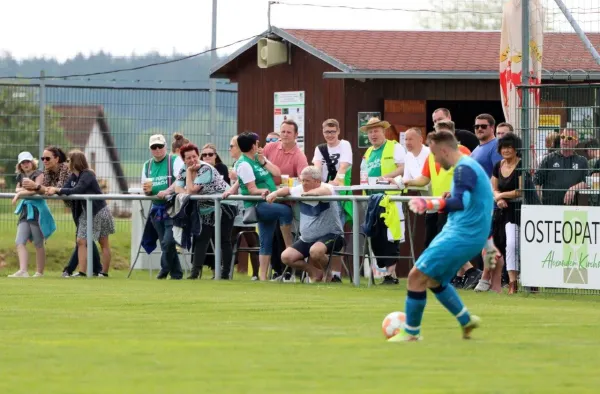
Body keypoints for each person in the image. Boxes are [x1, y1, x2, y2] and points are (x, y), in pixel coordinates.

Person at [388, 131, 494, 342]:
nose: (434, 161)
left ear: (444, 150)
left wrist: (429, 203)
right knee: (435, 280)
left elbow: (459, 203)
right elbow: (478, 203)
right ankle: (466, 320)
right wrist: (489, 242)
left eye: (435, 155)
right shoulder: (468, 168)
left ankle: (411, 332)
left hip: (461, 234)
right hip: (465, 233)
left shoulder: (464, 169)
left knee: (415, 277)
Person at [21, 146, 103, 277]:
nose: (44, 161)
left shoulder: (66, 168)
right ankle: (96, 269)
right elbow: (47, 189)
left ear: (57, 159)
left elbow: (58, 189)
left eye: (47, 158)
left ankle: (71, 270)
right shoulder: (47, 172)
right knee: (84, 237)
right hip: (75, 206)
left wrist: (37, 187)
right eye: (43, 158)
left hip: (82, 205)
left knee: (82, 238)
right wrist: (36, 188)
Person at [224, 131, 293, 281]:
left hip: (268, 202)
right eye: (257, 143)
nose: (259, 145)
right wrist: (264, 190)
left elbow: (277, 172)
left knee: (265, 240)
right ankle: (290, 248)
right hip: (258, 205)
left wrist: (263, 161)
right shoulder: (243, 164)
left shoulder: (257, 159)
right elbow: (251, 189)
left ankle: (262, 277)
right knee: (286, 211)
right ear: (253, 145)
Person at [269, 166, 344, 282]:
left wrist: (310, 194)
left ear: (317, 181)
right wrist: (274, 193)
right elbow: (287, 190)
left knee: (315, 251)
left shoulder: (326, 187)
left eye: (307, 181)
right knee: (286, 257)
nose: (304, 184)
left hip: (332, 235)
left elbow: (326, 191)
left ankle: (328, 274)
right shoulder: (300, 189)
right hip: (307, 239)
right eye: (302, 180)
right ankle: (314, 272)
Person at [46, 150, 115, 277]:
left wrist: (57, 190)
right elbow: (66, 188)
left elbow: (78, 189)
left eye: (68, 160)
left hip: (99, 211)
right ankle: (82, 272)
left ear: (75, 161)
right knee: (81, 241)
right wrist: (54, 190)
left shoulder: (88, 174)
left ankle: (103, 273)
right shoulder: (73, 176)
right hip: (85, 213)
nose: (66, 163)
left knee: (103, 243)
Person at [174, 143, 237, 279]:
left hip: (225, 204)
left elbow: (191, 190)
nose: (192, 160)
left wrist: (190, 174)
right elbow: (178, 188)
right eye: (188, 158)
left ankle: (225, 274)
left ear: (198, 156)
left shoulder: (205, 169)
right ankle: (194, 273)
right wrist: (187, 186)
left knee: (223, 239)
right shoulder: (183, 169)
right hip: (206, 207)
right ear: (183, 159)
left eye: (194, 156)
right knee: (202, 238)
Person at [359, 117, 406, 285]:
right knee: (376, 236)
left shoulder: (395, 147)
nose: (373, 134)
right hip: (372, 200)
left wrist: (384, 177)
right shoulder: (368, 152)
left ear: (383, 131)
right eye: (370, 132)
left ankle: (391, 275)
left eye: (376, 130)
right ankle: (384, 271)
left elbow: (402, 167)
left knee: (391, 235)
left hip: (390, 197)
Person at [475, 134, 523, 294]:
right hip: (500, 211)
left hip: (518, 211)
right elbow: (494, 188)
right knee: (494, 246)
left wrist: (501, 196)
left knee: (512, 245)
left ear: (516, 149)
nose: (506, 150)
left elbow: (520, 191)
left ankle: (512, 281)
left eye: (510, 147)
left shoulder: (521, 165)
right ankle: (495, 282)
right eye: (504, 147)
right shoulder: (497, 166)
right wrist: (498, 198)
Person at [141, 134, 184, 280]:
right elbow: (145, 188)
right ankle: (176, 274)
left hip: (173, 207)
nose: (157, 149)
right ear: (150, 149)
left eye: (160, 146)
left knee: (168, 241)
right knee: (166, 244)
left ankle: (164, 270)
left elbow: (180, 180)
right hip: (157, 209)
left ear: (165, 146)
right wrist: (146, 191)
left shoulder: (174, 160)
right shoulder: (147, 165)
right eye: (154, 147)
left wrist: (167, 191)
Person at [9, 152, 55, 278]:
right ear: (20, 165)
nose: (25, 164)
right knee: (19, 241)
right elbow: (17, 188)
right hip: (25, 211)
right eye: (23, 162)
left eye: (27, 162)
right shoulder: (20, 176)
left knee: (38, 242)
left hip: (37, 211)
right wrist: (20, 191)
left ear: (32, 162)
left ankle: (39, 272)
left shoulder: (39, 173)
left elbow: (36, 189)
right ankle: (23, 270)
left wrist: (19, 194)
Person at [228, 135, 260, 280]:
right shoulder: (237, 163)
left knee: (251, 239)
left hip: (247, 205)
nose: (229, 149)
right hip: (235, 207)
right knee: (230, 239)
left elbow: (248, 183)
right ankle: (226, 271)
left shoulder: (246, 163)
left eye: (232, 146)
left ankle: (257, 273)